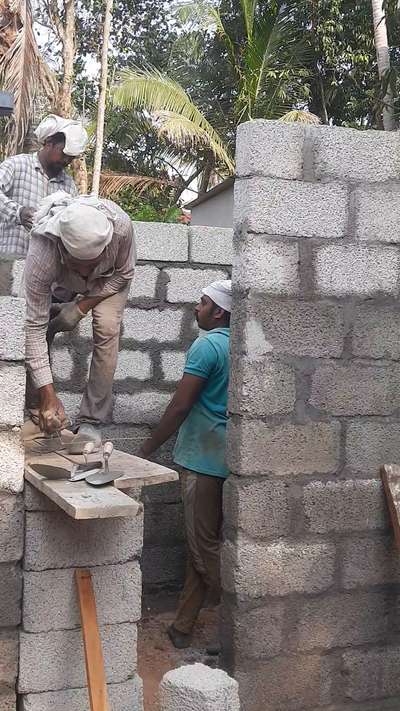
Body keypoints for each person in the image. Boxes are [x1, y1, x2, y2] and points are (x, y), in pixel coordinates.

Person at [139, 279, 231, 649]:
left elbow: (179, 406)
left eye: (203, 302)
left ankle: (245, 614)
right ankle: (183, 625)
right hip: (226, 460)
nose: (196, 308)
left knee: (202, 548)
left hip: (203, 462)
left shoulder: (207, 345)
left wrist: (146, 449)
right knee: (202, 543)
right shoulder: (236, 346)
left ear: (219, 312)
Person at [24, 192, 135, 444]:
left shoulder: (120, 228)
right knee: (42, 331)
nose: (86, 272)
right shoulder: (43, 252)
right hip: (61, 275)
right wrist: (49, 393)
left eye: (91, 262)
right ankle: (40, 413)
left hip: (110, 280)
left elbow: (125, 274)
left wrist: (80, 307)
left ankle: (91, 422)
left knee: (106, 328)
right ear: (62, 246)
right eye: (79, 264)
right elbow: (32, 326)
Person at [0, 114, 88, 257]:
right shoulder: (16, 165)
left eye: (71, 158)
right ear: (49, 142)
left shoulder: (69, 186)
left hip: (44, 270)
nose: (67, 161)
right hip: (8, 261)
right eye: (64, 153)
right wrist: (18, 212)